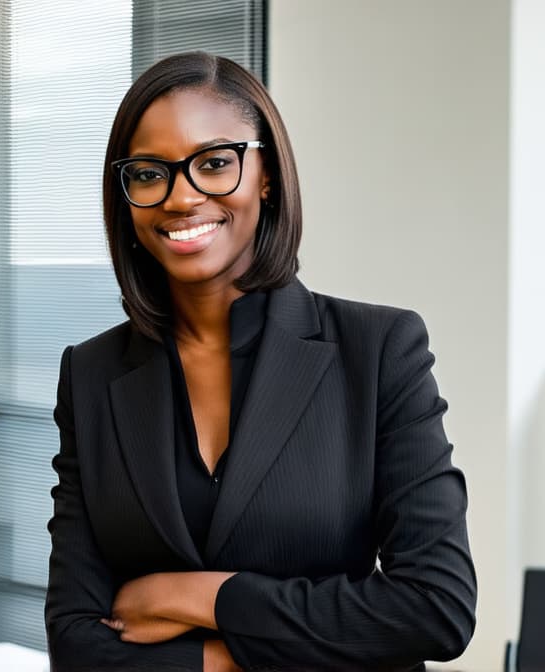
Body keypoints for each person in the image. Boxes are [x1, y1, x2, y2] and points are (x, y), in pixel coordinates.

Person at [45, 52, 476, 671]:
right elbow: (77, 646)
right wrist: (227, 660)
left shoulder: (378, 350)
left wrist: (206, 598)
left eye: (215, 163)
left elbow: (435, 609)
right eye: (149, 173)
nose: (181, 197)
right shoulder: (92, 375)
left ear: (266, 175)